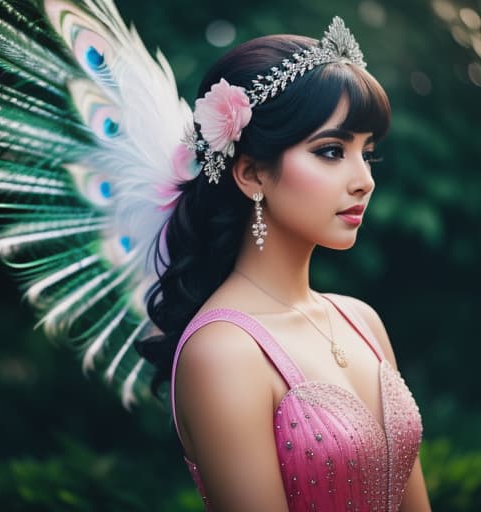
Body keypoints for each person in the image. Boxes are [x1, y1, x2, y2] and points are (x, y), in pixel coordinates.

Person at [143, 18, 432, 512]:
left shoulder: (362, 320)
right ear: (252, 173)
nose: (364, 180)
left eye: (368, 154)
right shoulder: (224, 352)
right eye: (331, 151)